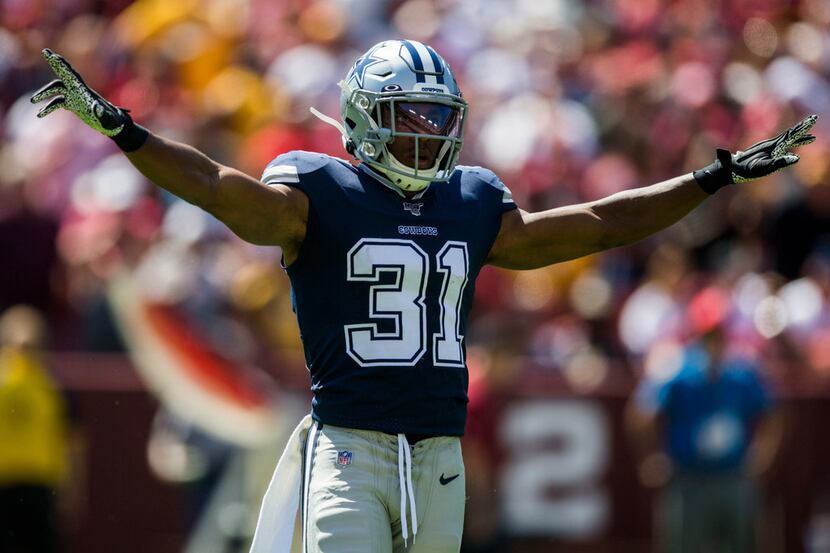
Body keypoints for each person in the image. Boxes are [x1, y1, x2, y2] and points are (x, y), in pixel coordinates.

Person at [29, 41, 816, 553]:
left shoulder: (469, 199)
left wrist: (712, 175)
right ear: (363, 119)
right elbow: (214, 185)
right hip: (349, 447)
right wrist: (123, 129)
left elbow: (602, 223)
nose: (425, 133)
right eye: (408, 116)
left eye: (437, 117)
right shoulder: (318, 189)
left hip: (441, 458)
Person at [627, 288, 784, 553]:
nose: (714, 342)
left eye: (719, 333)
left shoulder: (742, 372)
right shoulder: (677, 370)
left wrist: (763, 456)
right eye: (708, 334)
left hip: (732, 477)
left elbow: (775, 415)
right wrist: (650, 458)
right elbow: (641, 414)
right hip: (689, 480)